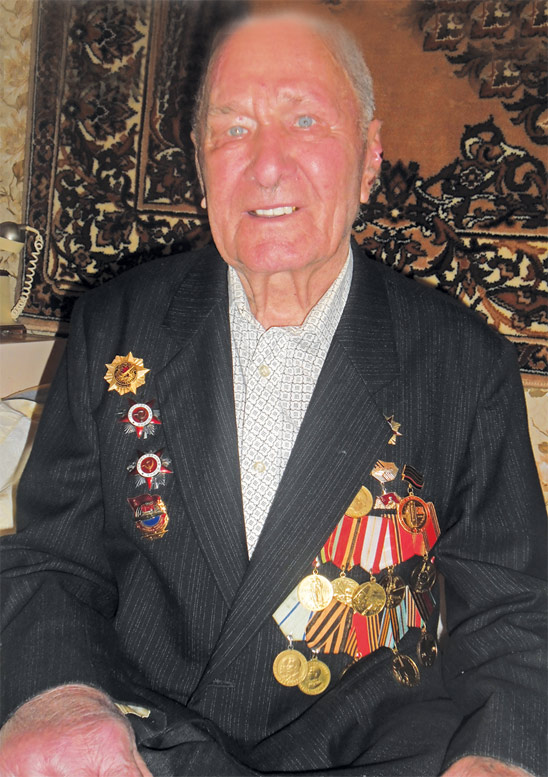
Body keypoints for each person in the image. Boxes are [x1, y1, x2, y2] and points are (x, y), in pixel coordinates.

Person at [0, 12, 546, 777]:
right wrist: (57, 698)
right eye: (233, 129)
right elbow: (54, 559)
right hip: (144, 748)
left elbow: (514, 611)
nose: (266, 165)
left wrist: (499, 757)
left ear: (370, 157)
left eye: (305, 121)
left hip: (374, 756)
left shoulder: (464, 363)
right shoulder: (116, 325)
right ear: (200, 162)